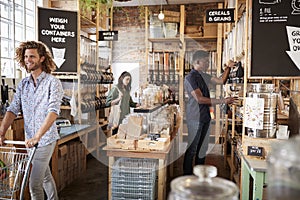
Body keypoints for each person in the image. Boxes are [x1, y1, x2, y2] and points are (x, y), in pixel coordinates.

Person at [0, 41, 63, 199]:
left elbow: (53, 111)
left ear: (41, 58)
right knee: (45, 176)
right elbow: (13, 109)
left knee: (34, 183)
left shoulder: (52, 82)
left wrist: (38, 136)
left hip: (45, 139)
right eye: (26, 56)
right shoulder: (23, 84)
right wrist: (1, 132)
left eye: (32, 56)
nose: (28, 59)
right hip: (30, 141)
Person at [183, 50, 236, 175]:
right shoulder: (190, 78)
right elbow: (200, 99)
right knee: (192, 149)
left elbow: (221, 81)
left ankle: (199, 174)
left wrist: (228, 67)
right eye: (206, 61)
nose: (208, 64)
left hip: (205, 117)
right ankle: (187, 176)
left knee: (202, 149)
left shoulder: (203, 75)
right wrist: (224, 100)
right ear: (197, 62)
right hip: (195, 118)